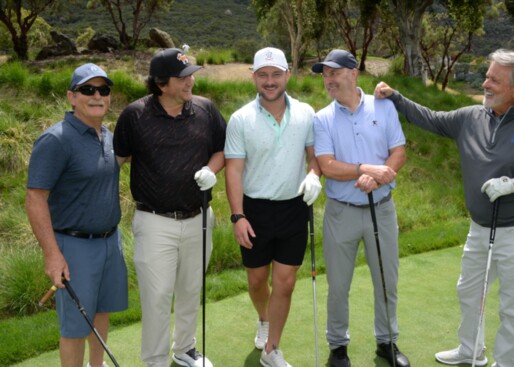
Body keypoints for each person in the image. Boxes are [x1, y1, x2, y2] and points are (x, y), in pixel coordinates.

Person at [374, 49, 514, 367]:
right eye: (487, 76)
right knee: (468, 292)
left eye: (494, 79)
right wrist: (395, 97)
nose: (485, 83)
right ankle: (472, 350)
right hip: (480, 227)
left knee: (513, 306)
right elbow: (429, 118)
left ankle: (506, 363)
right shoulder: (470, 117)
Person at [113, 46, 226, 367]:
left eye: (191, 75)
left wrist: (211, 169)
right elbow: (117, 160)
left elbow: (221, 149)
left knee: (191, 289)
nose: (191, 82)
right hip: (154, 221)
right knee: (158, 296)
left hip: (199, 217)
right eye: (183, 78)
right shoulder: (135, 115)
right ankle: (155, 360)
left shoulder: (205, 109)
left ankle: (185, 348)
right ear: (162, 84)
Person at [311, 49, 410, 367]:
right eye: (325, 74)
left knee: (386, 279)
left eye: (334, 73)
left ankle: (387, 342)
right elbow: (326, 165)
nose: (329, 80)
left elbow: (398, 151)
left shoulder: (383, 106)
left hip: (381, 208)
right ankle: (338, 347)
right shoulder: (322, 118)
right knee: (338, 285)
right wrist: (367, 170)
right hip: (341, 212)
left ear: (353, 74)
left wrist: (382, 177)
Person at [224, 46, 322, 367]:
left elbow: (312, 158)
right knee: (256, 281)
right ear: (254, 77)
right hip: (255, 211)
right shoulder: (240, 120)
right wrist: (237, 216)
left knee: (286, 282)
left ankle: (272, 349)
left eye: (275, 74)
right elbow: (234, 170)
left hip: (294, 208)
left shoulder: (307, 113)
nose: (270, 81)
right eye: (263, 75)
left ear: (287, 75)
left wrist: (313, 177)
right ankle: (264, 318)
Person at [26, 63, 128, 367]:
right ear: (72, 96)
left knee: (101, 312)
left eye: (103, 90)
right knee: (75, 327)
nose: (97, 96)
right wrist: (52, 255)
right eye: (88, 90)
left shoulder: (109, 136)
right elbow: (35, 198)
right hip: (74, 246)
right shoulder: (55, 140)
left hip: (111, 240)